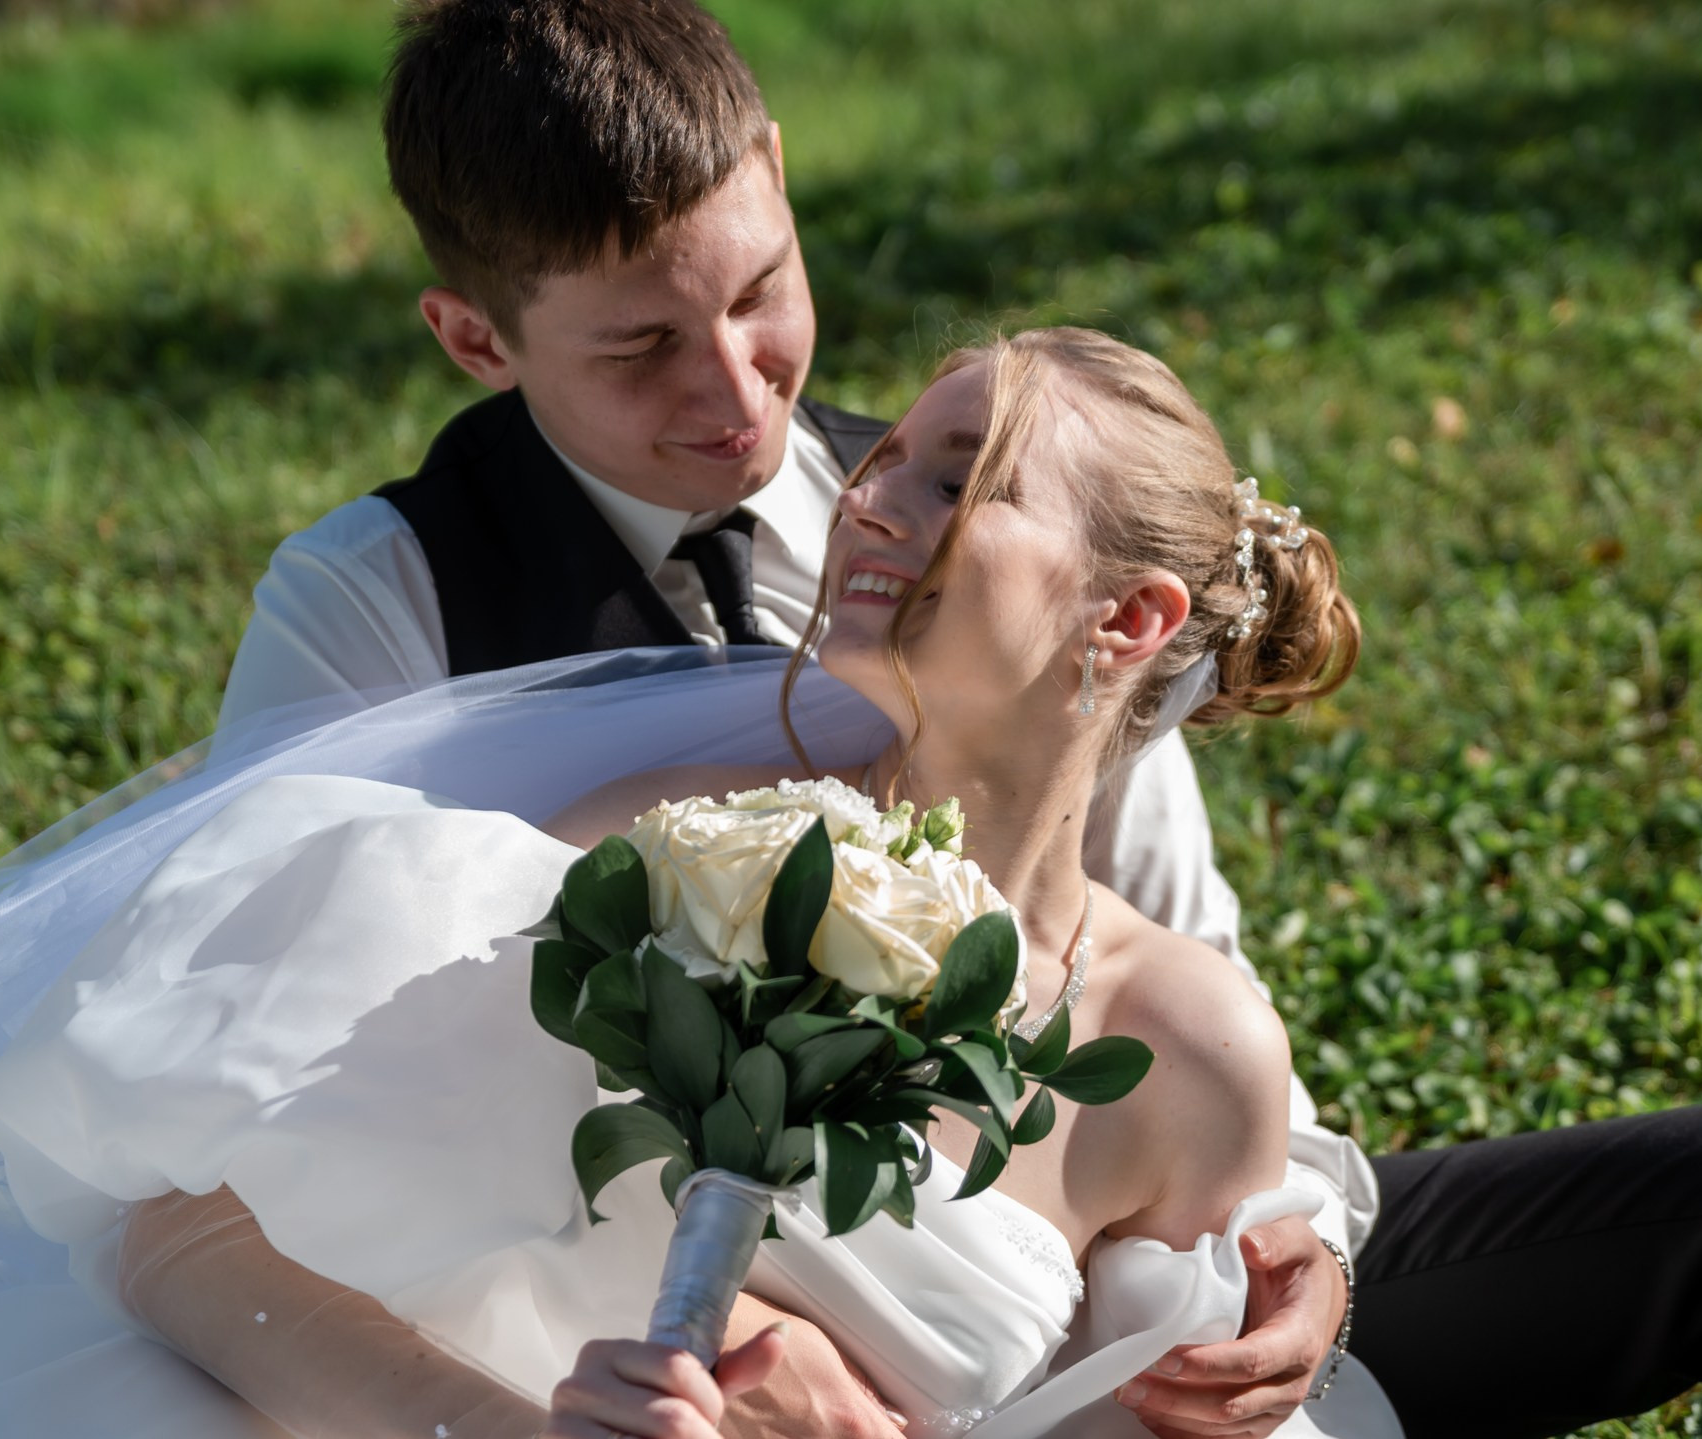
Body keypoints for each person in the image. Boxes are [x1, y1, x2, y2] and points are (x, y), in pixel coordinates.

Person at [202, 1, 1374, 1432]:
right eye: (641, 345)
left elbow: (1197, 1031)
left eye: (761, 291)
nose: (736, 389)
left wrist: (1290, 1247)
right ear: (472, 338)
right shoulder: (381, 608)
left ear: (775, 171)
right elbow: (241, 1113)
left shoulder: (1043, 568)